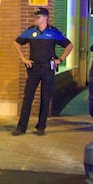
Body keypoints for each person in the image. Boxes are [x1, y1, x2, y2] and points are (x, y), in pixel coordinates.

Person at [11, 7, 73, 136]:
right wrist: (24, 58)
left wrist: (60, 60)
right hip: (34, 69)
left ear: (45, 18)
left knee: (45, 98)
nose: (35, 19)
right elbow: (17, 43)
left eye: (38, 17)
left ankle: (41, 127)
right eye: (35, 17)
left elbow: (69, 45)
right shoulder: (30, 31)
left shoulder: (53, 32)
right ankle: (21, 127)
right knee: (28, 98)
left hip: (48, 69)